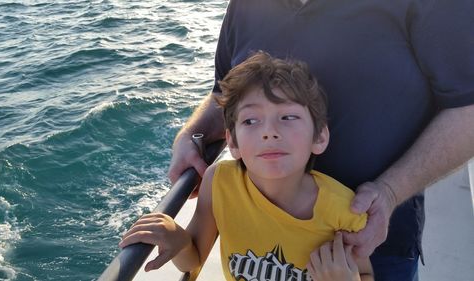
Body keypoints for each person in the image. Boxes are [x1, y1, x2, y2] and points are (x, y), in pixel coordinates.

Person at [167, 0, 474, 280]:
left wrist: (391, 192)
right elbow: (224, 92)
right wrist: (192, 133)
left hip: (368, 244)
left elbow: (468, 108)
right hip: (258, 241)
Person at [121, 52, 374, 281]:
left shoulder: (344, 210)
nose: (270, 132)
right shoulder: (219, 182)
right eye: (251, 120)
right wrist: (176, 239)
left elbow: (364, 273)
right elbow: (194, 259)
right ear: (233, 142)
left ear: (318, 137)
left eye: (287, 117)